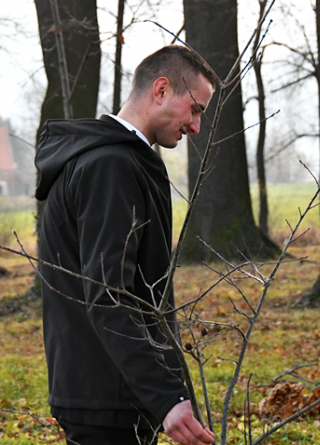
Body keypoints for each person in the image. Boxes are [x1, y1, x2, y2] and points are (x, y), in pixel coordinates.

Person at [34, 45, 217, 445]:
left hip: (113, 392)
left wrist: (171, 390)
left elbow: (143, 295)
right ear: (162, 90)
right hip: (106, 398)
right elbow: (109, 296)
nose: (196, 127)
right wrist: (167, 397)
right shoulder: (109, 167)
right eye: (196, 109)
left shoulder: (117, 160)